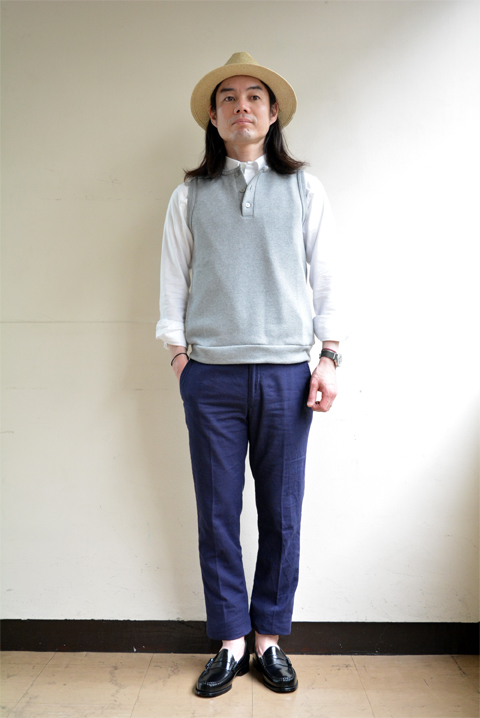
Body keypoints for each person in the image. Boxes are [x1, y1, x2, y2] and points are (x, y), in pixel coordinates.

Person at [156, 52, 346, 698]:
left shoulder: (304, 190)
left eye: (255, 97)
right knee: (217, 513)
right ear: (213, 117)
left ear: (272, 114)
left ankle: (269, 638)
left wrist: (330, 357)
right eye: (229, 98)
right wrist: (179, 357)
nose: (242, 106)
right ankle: (230, 640)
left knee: (281, 513)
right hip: (210, 377)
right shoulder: (189, 195)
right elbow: (172, 282)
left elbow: (329, 278)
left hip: (288, 374)